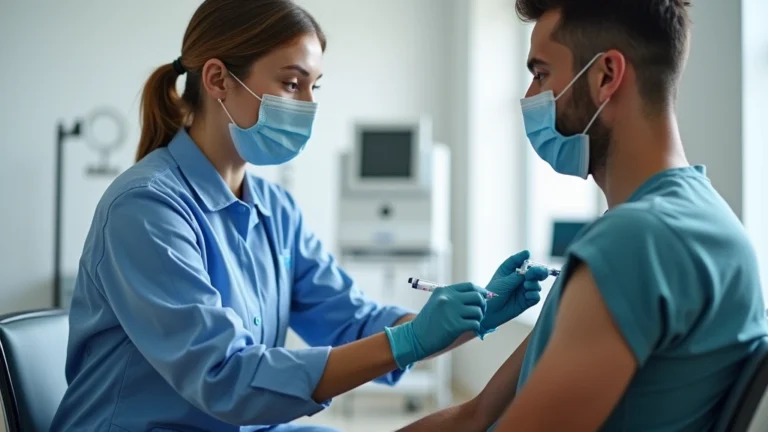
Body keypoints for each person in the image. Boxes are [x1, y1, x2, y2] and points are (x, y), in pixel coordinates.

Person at [50, 1, 547, 431]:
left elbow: (354, 322)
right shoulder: (146, 208)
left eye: (315, 87)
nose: (309, 104)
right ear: (219, 79)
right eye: (292, 83)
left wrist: (471, 317)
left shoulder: (274, 208)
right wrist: (410, 340)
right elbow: (225, 377)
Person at [400, 1, 768, 431]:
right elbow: (476, 414)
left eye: (540, 74)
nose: (528, 97)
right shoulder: (692, 218)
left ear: (606, 75)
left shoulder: (639, 240)